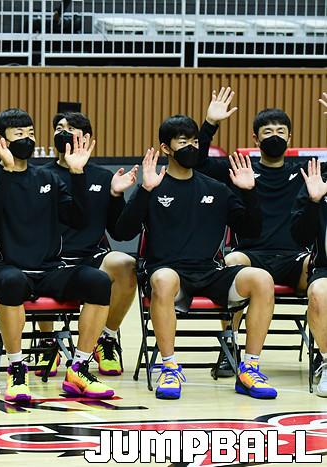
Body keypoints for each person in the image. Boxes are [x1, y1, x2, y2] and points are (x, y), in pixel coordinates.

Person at [115, 114, 277, 400]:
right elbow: (124, 231)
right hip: (168, 273)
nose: (191, 147)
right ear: (166, 148)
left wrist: (249, 193)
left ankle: (249, 368)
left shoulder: (216, 189)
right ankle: (169, 368)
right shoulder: (154, 186)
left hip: (211, 272)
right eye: (183, 142)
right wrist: (144, 190)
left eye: (194, 141)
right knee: (164, 279)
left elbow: (252, 231)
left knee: (262, 279)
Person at [0, 108, 115, 403]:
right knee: (12, 282)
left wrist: (77, 174)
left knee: (99, 282)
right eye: (19, 134)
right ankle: (16, 368)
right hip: (3, 268)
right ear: (2, 140)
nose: (27, 139)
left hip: (49, 269)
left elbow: (78, 220)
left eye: (31, 133)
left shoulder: (47, 177)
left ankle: (79, 367)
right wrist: (7, 172)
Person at [196, 87, 311, 377]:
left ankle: (320, 354)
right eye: (268, 131)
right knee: (232, 262)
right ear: (255, 139)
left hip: (295, 259)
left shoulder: (305, 172)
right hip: (251, 256)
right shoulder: (239, 169)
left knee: (320, 271)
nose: (275, 136)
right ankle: (230, 346)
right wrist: (210, 124)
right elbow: (197, 164)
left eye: (281, 131)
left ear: (290, 138)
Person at [35, 111, 138, 377]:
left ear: (87, 138)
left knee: (126, 264)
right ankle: (47, 341)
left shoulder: (103, 177)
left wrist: (116, 195)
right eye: (59, 127)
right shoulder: (39, 175)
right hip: (50, 258)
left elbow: (119, 232)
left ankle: (107, 338)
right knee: (35, 265)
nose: (63, 132)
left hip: (92, 257)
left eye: (71, 128)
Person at [290, 90, 327, 397]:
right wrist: (314, 202)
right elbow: (300, 237)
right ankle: (326, 362)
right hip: (325, 268)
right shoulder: (317, 179)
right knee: (319, 292)